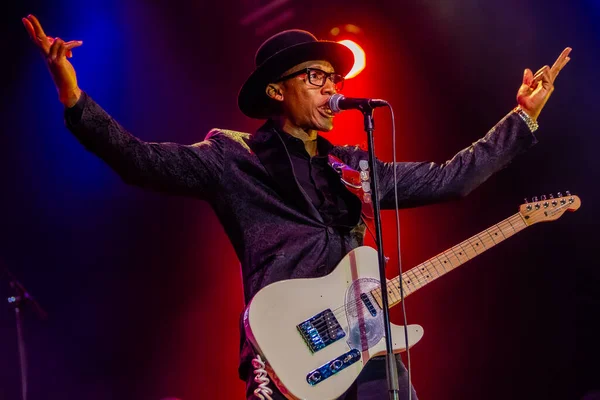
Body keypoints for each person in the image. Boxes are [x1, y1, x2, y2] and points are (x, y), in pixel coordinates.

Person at [22, 13, 571, 400]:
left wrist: (521, 118)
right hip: (290, 351)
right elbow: (139, 159)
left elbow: (450, 179)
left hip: (370, 350)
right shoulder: (232, 157)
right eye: (316, 78)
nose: (332, 89)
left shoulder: (352, 166)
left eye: (334, 78)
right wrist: (74, 98)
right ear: (278, 91)